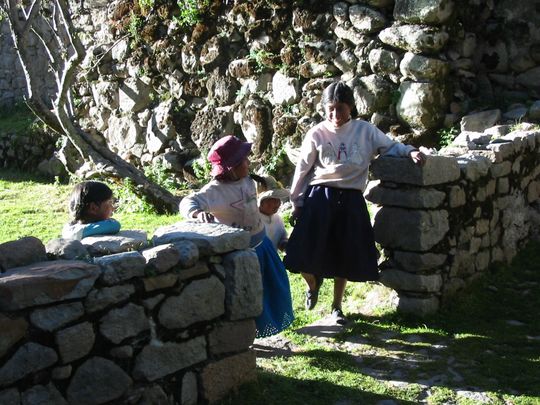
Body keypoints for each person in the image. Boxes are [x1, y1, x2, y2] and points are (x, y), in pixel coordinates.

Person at [283, 81, 426, 325]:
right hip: (320, 196)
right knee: (301, 251)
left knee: (345, 253)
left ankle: (337, 307)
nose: (335, 114)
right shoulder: (317, 133)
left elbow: (390, 146)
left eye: (340, 108)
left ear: (350, 107)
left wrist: (410, 151)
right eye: (330, 108)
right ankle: (313, 283)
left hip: (350, 198)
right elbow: (303, 169)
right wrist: (297, 200)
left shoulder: (365, 131)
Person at [179, 135, 294, 338]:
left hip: (262, 245)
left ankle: (270, 326)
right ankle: (248, 336)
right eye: (244, 160)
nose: (248, 163)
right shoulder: (214, 191)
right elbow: (188, 202)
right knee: (248, 295)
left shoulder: (247, 180)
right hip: (240, 254)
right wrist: (197, 213)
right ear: (231, 166)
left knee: (273, 288)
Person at [254, 174, 290, 252]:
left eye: (278, 199)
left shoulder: (277, 219)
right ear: (261, 203)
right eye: (272, 200)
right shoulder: (253, 221)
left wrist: (285, 245)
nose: (277, 203)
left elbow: (282, 239)